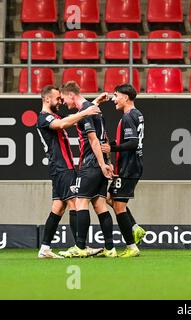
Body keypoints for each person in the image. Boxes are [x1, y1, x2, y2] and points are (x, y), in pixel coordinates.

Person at [37, 85, 101, 258]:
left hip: (60, 168)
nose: (60, 101)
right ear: (47, 99)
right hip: (62, 167)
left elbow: (71, 118)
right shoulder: (43, 118)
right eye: (57, 98)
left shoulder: (52, 115)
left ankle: (44, 248)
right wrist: (85, 113)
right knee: (75, 203)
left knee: (58, 207)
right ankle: (81, 247)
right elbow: (64, 123)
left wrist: (92, 103)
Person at [58, 81, 117, 258]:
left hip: (91, 164)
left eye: (63, 98)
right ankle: (110, 248)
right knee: (100, 205)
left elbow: (94, 140)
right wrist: (107, 162)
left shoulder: (86, 113)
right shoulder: (93, 109)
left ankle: (80, 247)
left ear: (71, 95)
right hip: (100, 164)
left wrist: (101, 164)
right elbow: (104, 137)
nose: (63, 103)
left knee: (80, 202)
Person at [99, 84, 146, 258]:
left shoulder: (127, 117)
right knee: (111, 199)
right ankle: (135, 229)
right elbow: (131, 141)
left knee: (118, 206)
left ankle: (132, 247)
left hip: (129, 167)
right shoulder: (137, 114)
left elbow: (132, 144)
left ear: (125, 98)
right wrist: (114, 145)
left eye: (116, 95)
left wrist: (111, 149)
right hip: (133, 165)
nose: (113, 99)